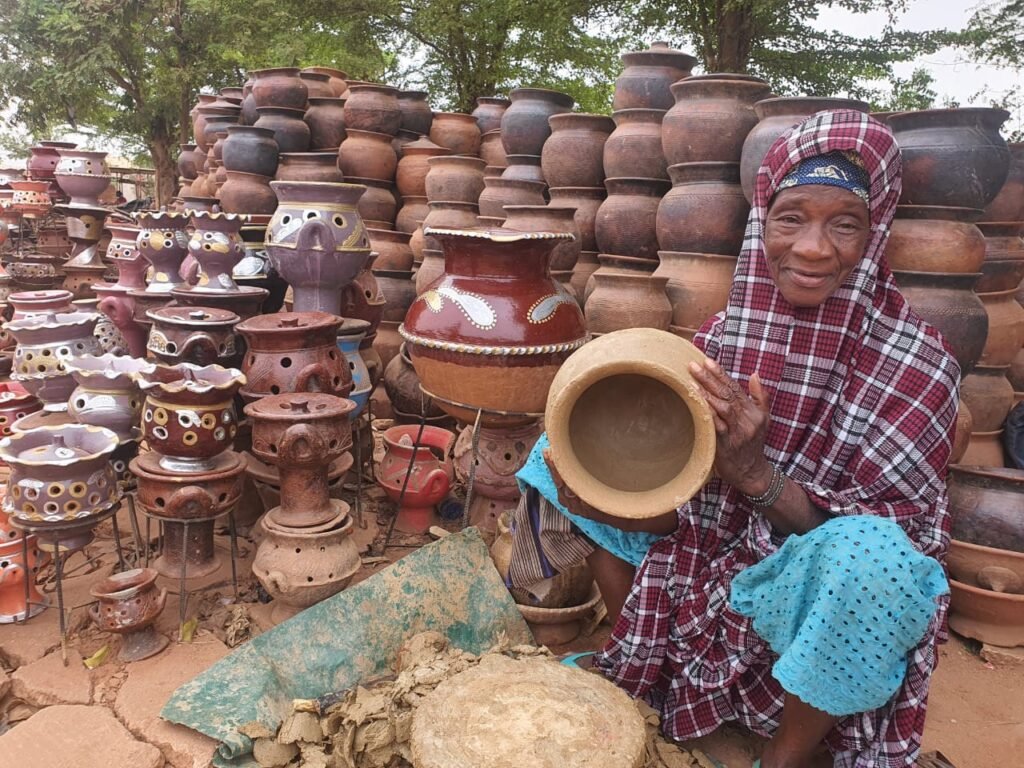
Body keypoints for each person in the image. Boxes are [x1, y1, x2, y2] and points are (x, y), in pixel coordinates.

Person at [507, 110, 959, 768]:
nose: (811, 248)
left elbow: (895, 552)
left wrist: (754, 475)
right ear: (762, 221)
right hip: (701, 589)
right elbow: (679, 512)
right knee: (559, 463)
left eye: (844, 224)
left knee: (873, 558)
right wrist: (590, 499)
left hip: (815, 627)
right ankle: (650, 686)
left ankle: (788, 753)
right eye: (791, 217)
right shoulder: (723, 339)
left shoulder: (918, 365)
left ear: (875, 232)